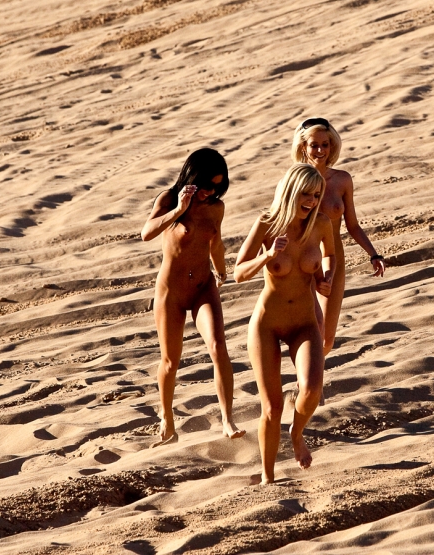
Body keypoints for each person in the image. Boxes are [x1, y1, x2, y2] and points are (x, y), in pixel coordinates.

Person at [234, 164, 336, 484]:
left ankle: (297, 432)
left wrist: (326, 278)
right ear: (291, 190)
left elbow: (330, 255)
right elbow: (238, 272)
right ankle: (268, 476)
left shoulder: (320, 224)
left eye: (317, 194)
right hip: (267, 324)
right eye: (306, 193)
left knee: (311, 390)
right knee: (272, 407)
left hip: (304, 323)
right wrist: (265, 257)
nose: (311, 200)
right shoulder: (266, 223)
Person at [140, 148, 244, 446]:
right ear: (192, 178)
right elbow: (146, 233)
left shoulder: (216, 207)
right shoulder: (168, 200)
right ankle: (167, 420)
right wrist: (179, 210)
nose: (210, 192)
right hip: (171, 293)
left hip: (202, 287)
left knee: (217, 346)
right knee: (171, 361)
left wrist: (222, 272)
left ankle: (227, 419)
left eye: (217, 186)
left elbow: (216, 243)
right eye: (206, 185)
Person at [291, 118, 385, 357]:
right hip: (304, 260)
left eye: (325, 144)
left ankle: (310, 387)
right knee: (312, 329)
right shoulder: (293, 180)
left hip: (335, 261)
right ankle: (310, 391)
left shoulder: (343, 180)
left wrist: (373, 254)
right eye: (314, 145)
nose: (320, 150)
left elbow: (352, 225)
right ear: (303, 147)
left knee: (327, 338)